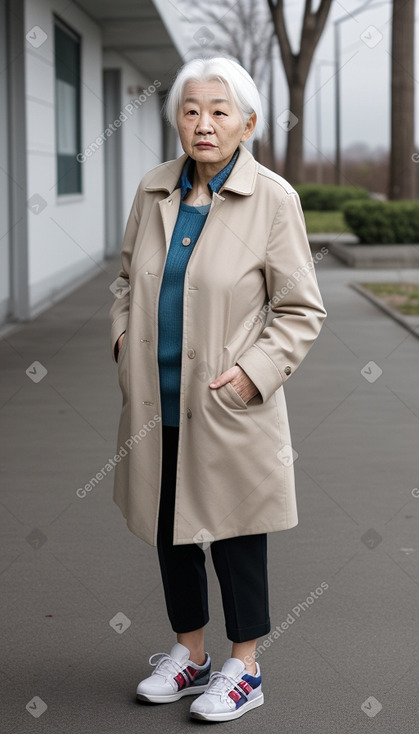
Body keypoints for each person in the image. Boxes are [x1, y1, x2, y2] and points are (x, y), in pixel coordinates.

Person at [109, 56, 326, 723]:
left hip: (228, 404)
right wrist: (121, 338)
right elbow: (124, 281)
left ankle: (245, 667)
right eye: (190, 109)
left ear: (247, 122)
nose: (203, 124)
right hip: (156, 403)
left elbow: (299, 309)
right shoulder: (152, 191)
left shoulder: (272, 199)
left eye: (219, 110)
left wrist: (254, 372)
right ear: (176, 117)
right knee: (168, 531)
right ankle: (190, 653)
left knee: (236, 536)